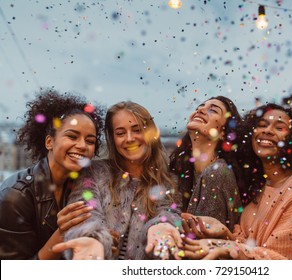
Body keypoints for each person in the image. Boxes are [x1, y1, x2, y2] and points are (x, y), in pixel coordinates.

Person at [180, 103, 292, 260]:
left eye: (280, 127)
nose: (267, 131)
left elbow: (288, 261)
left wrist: (226, 245)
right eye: (261, 125)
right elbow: (251, 247)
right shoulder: (261, 188)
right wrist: (224, 233)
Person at [52, 101, 182, 260]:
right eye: (120, 133)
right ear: (112, 139)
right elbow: (84, 214)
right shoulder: (94, 172)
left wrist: (163, 226)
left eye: (137, 130)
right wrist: (93, 239)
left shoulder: (168, 181)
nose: (129, 138)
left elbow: (168, 213)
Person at [0, 89, 105, 259]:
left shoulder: (90, 186)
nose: (82, 145)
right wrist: (63, 232)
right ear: (49, 142)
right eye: (72, 136)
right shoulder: (15, 197)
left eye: (90, 141)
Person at [169, 96, 244, 232]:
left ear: (223, 132)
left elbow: (202, 241)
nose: (201, 110)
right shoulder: (182, 171)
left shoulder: (217, 172)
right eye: (199, 107)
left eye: (213, 110)